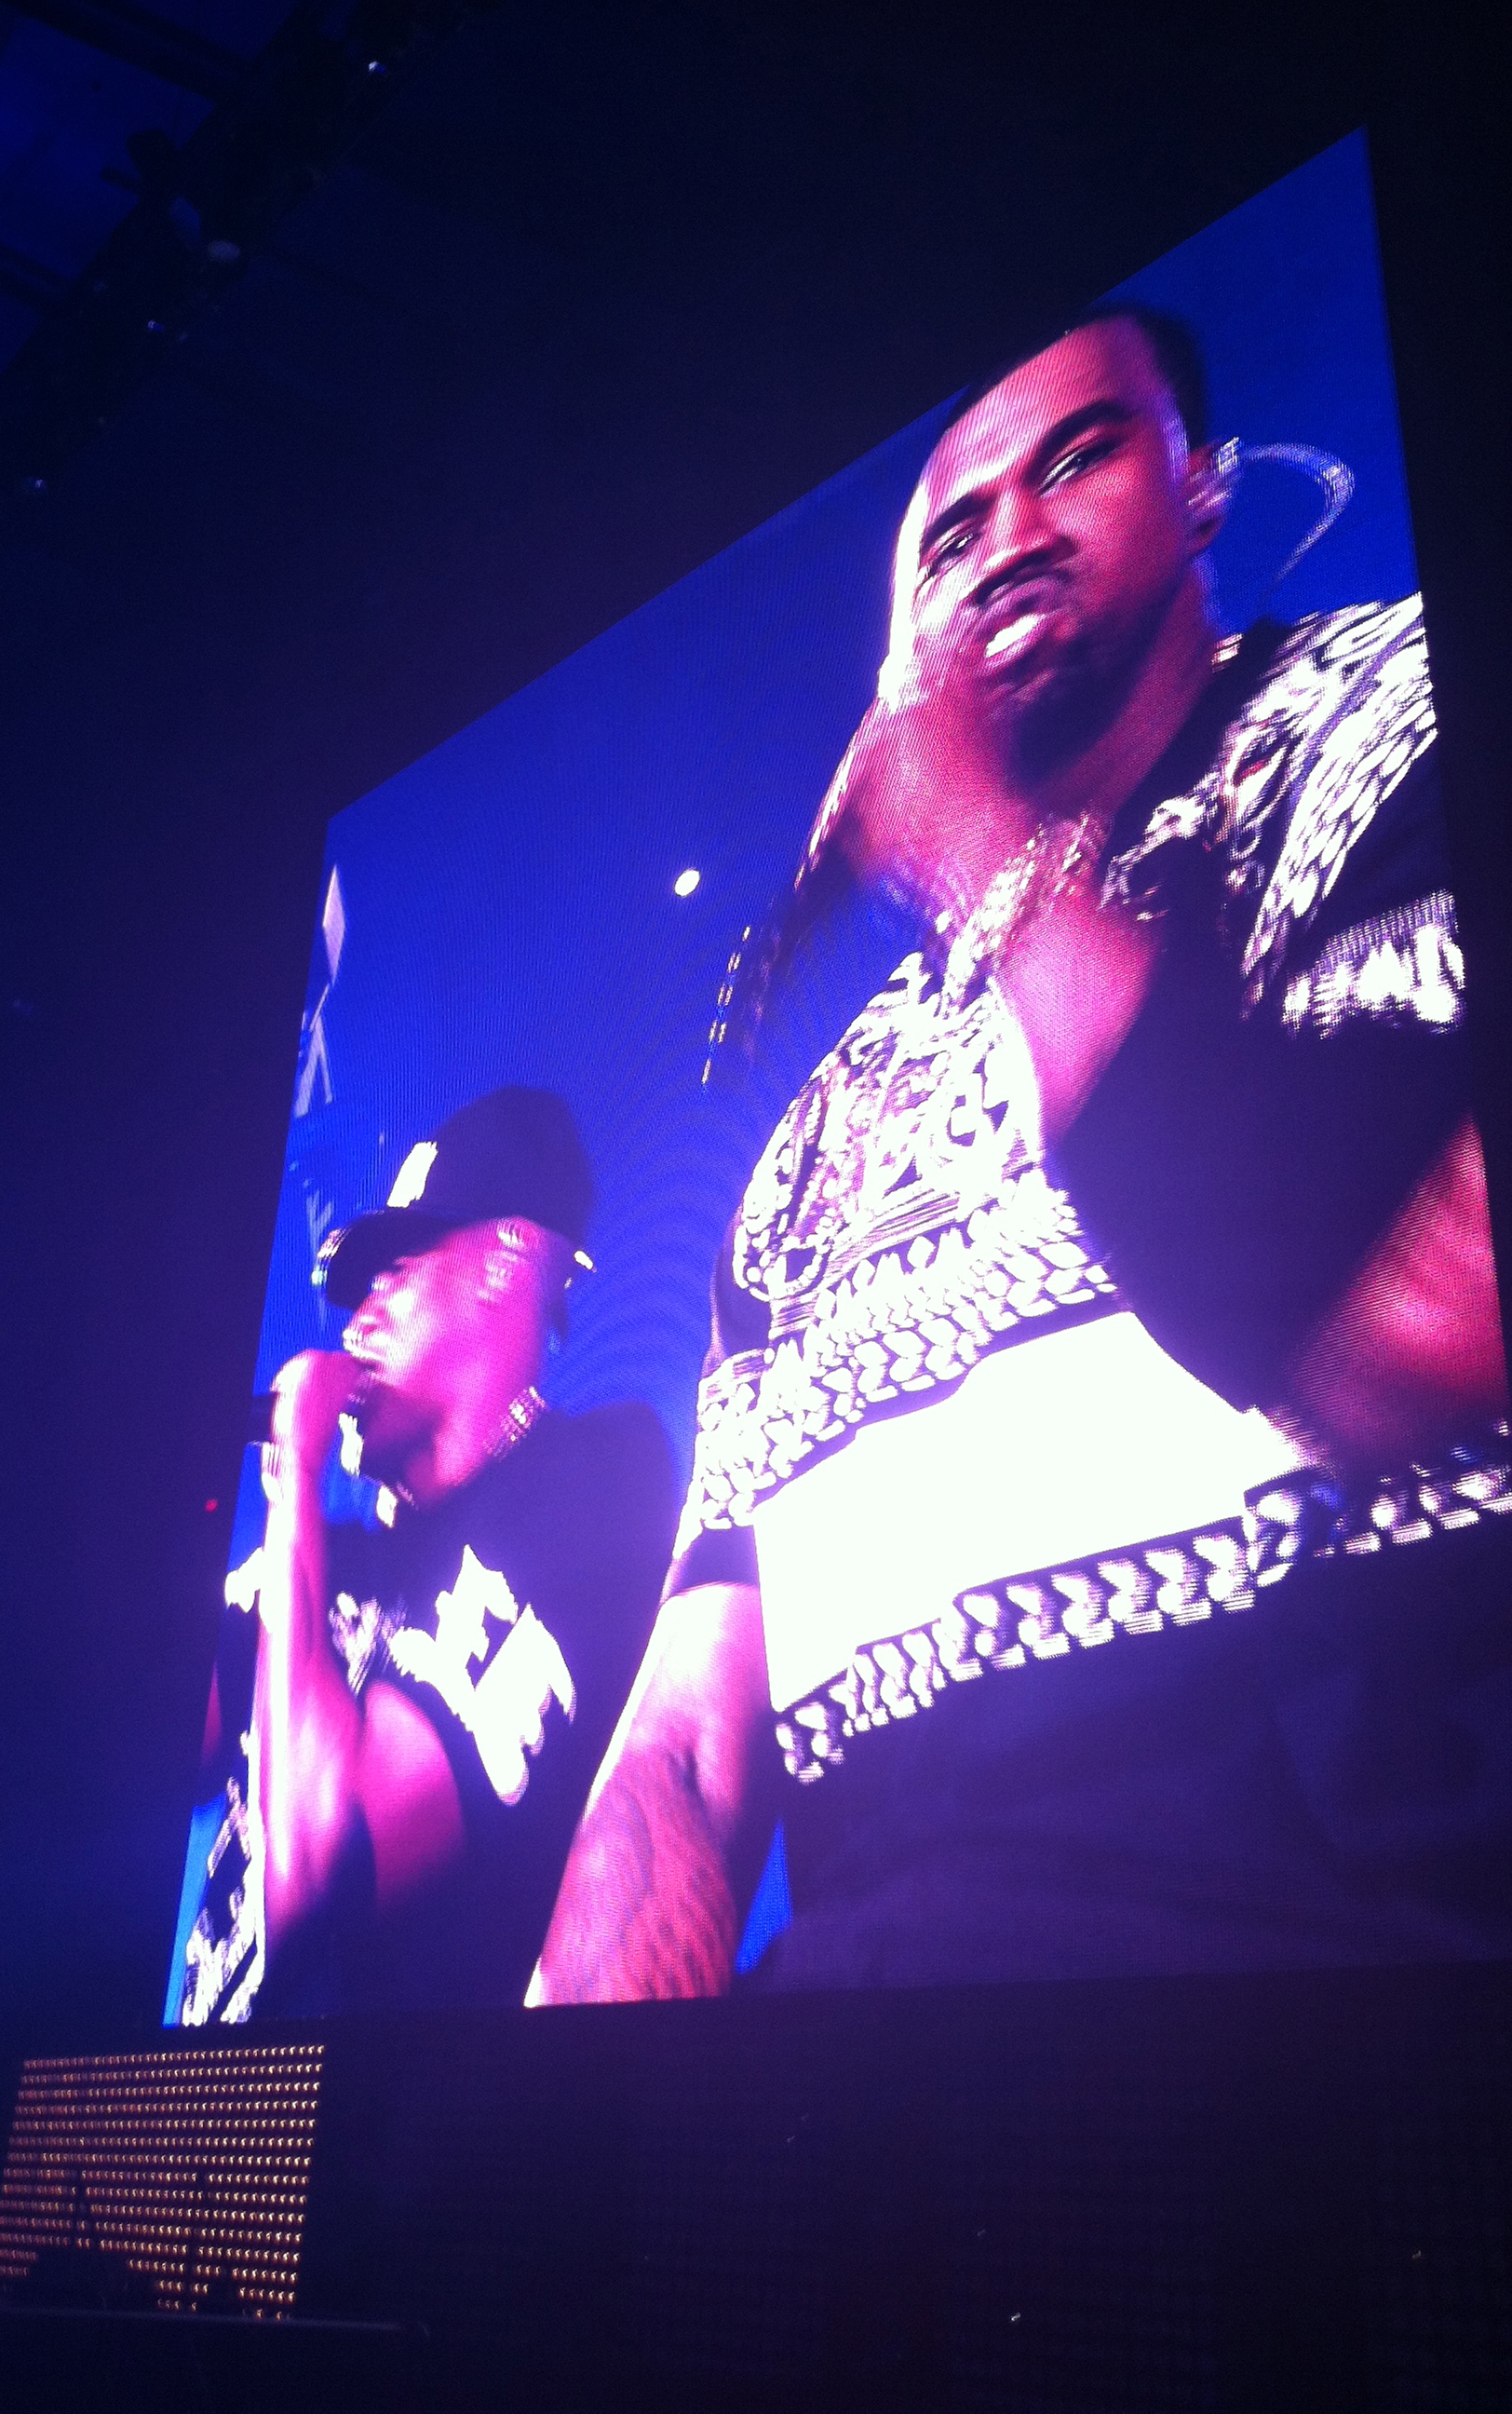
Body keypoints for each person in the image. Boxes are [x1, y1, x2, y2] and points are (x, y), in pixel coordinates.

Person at [533, 303, 1509, 2003]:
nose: (1009, 543)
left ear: (1204, 486)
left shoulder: (1393, 718)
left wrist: (981, 855)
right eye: (951, 533)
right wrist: (581, 2114)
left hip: (1339, 2028)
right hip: (868, 2075)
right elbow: (686, 1745)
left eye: (1078, 457)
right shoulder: (812, 1147)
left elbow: (1417, 1326)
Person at [180, 1086, 677, 2018]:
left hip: (401, 2104)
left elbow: (321, 1863)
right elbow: (115, 1749)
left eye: (394, 1274)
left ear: (505, 1260)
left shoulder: (592, 1483)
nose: (355, 1323)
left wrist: (294, 1483)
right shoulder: (336, 1565)